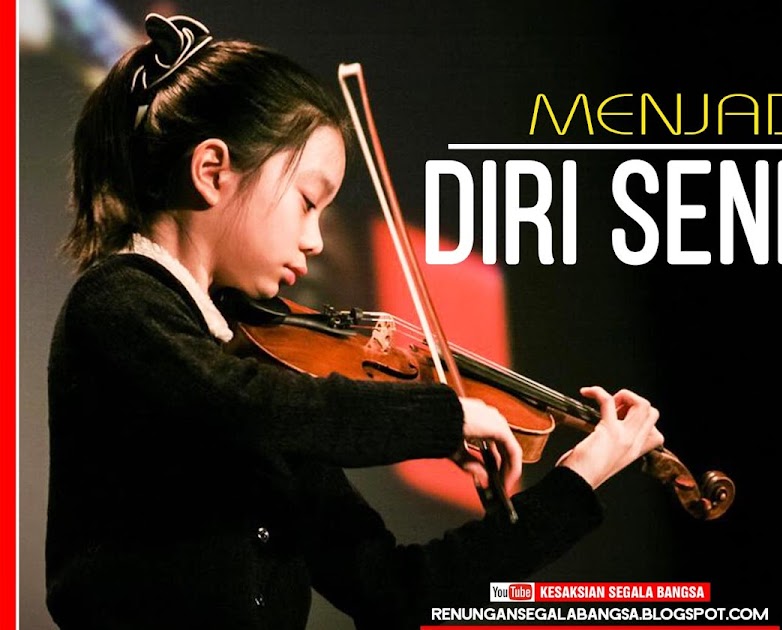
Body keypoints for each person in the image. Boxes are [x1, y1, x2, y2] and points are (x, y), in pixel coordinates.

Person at [45, 13, 664, 630]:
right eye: (308, 202)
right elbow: (249, 406)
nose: (315, 239)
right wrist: (441, 416)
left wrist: (577, 481)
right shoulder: (120, 303)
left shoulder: (256, 361)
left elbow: (401, 594)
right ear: (213, 171)